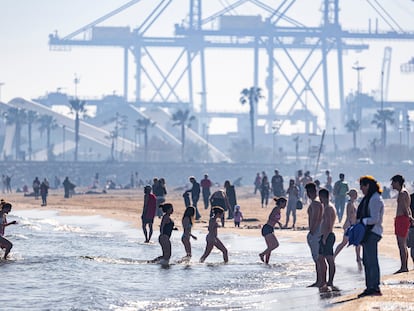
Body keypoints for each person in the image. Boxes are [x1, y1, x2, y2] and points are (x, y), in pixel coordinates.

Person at [356, 175, 384, 297]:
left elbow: (375, 219)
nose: (361, 189)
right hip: (368, 233)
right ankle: (370, 286)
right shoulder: (370, 198)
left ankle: (375, 287)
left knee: (371, 261)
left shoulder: (375, 199)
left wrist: (362, 221)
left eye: (362, 186)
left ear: (367, 185)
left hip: (372, 232)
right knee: (367, 261)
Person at [333, 188, 362, 270]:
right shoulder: (350, 204)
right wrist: (348, 225)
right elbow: (349, 215)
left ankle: (358, 257)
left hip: (353, 225)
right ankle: (334, 256)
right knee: (344, 242)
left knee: (358, 242)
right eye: (355, 194)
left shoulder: (353, 203)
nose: (357, 196)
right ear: (353, 195)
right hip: (350, 225)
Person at [390, 174, 412, 274]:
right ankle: (404, 266)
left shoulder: (403, 193)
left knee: (401, 244)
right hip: (402, 219)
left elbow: (405, 208)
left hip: (402, 219)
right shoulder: (403, 193)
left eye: (393, 182)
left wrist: (409, 218)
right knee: (401, 244)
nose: (391, 185)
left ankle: (404, 266)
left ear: (397, 182)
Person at [317, 188, 338, 292]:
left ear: (323, 197)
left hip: (328, 236)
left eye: (320, 197)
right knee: (321, 258)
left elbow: (329, 225)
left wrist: (325, 237)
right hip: (324, 236)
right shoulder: (326, 207)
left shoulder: (328, 208)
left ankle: (330, 281)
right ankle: (323, 281)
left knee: (329, 260)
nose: (319, 199)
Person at [305, 182, 323, 287]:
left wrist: (311, 231)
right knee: (318, 258)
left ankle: (319, 280)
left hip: (316, 232)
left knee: (317, 258)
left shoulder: (315, 203)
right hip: (317, 231)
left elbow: (316, 218)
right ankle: (319, 280)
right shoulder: (316, 202)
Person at [259, 197, 286, 264]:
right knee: (275, 245)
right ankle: (262, 254)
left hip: (269, 229)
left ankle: (266, 263)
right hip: (267, 228)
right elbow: (270, 217)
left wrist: (277, 222)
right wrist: (278, 222)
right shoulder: (276, 209)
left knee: (269, 248)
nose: (285, 205)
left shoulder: (278, 210)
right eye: (284, 204)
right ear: (281, 203)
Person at [408, 193, 414, 267]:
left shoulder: (410, 197)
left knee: (413, 246)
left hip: (412, 225)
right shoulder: (410, 197)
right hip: (412, 226)